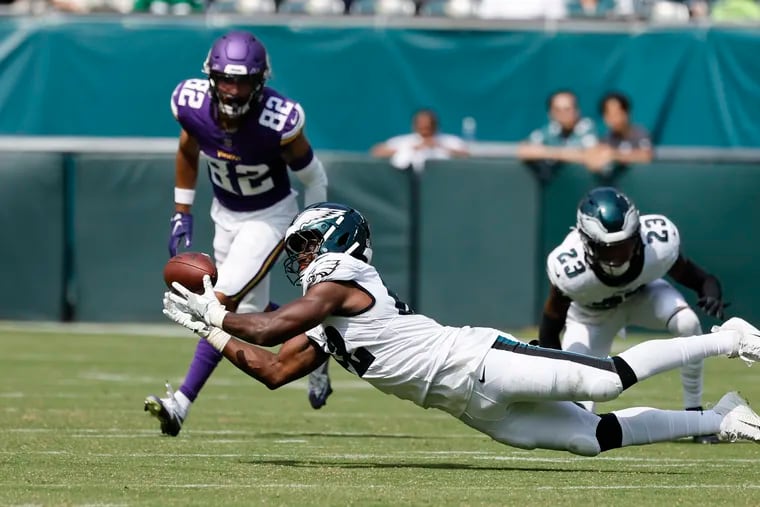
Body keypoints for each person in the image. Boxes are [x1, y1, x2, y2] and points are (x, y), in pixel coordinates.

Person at [162, 202, 760, 456]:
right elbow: (271, 368)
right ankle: (722, 418)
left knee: (603, 384)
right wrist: (210, 331)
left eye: (307, 244)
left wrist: (217, 310)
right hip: (470, 407)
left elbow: (270, 326)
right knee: (590, 439)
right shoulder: (329, 314)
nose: (300, 257)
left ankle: (728, 337)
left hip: (475, 360)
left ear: (337, 242)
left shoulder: (342, 275)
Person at [144, 30, 332, 437]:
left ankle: (181, 403)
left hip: (270, 218)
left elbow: (314, 177)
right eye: (226, 79)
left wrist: (312, 231)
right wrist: (182, 211)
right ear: (211, 76)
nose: (232, 89)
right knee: (247, 316)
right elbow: (187, 151)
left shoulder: (276, 120)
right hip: (225, 214)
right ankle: (317, 341)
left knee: (218, 301)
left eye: (242, 80)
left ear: (259, 80)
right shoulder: (191, 104)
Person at [539, 186, 726, 443]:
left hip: (643, 296)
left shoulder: (657, 244)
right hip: (591, 317)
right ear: (587, 241)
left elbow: (702, 279)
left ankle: (695, 414)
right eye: (608, 248)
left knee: (687, 322)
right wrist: (558, 370)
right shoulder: (570, 269)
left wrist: (711, 294)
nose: (618, 256)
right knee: (581, 411)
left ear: (638, 234)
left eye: (624, 245)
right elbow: (550, 326)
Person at [517, 90, 599, 179]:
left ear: (577, 110)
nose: (563, 114)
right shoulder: (551, 129)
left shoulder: (587, 127)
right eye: (557, 110)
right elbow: (523, 150)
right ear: (550, 113)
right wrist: (564, 154)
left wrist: (548, 152)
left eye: (567, 109)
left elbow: (592, 158)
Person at [370, 109, 469, 172]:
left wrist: (440, 146)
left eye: (429, 127)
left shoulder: (448, 140)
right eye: (422, 127)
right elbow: (377, 151)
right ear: (415, 126)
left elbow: (466, 154)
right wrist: (411, 148)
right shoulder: (406, 141)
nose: (425, 130)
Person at [584, 92, 653, 174]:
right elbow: (593, 161)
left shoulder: (640, 133)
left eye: (617, 113)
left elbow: (646, 157)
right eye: (609, 115)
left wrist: (614, 155)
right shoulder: (606, 138)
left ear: (626, 113)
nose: (613, 119)